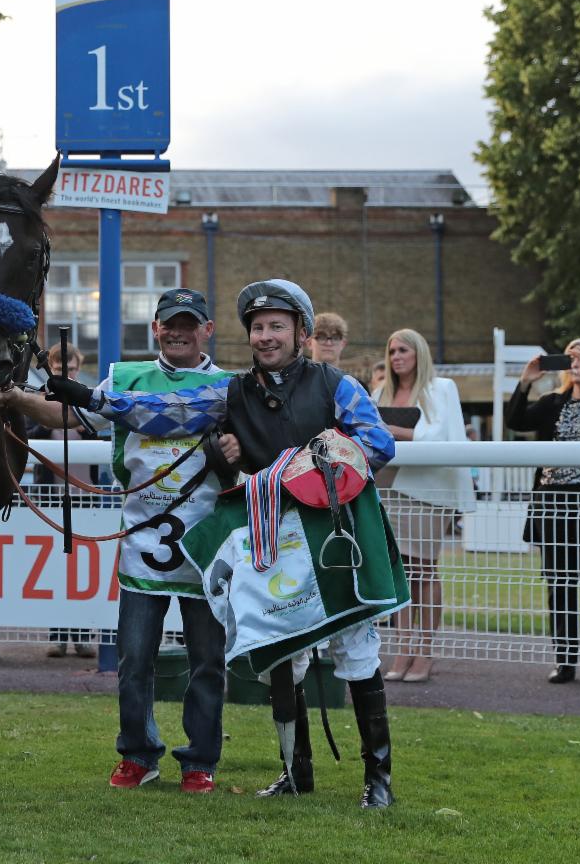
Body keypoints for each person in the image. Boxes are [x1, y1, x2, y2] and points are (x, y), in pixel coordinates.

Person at [48, 279, 404, 808]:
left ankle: (378, 780)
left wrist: (290, 471)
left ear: (301, 333)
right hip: (272, 543)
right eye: (258, 328)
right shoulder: (230, 391)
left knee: (354, 651)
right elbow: (166, 412)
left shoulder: (336, 385)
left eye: (276, 327)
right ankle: (294, 770)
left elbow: (378, 443)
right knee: (283, 650)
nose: (266, 336)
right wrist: (87, 397)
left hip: (331, 536)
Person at [0, 288, 237, 794]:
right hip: (142, 544)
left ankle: (200, 761)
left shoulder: (231, 388)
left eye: (189, 324)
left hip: (210, 547)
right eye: (170, 323)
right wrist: (18, 397)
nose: (178, 332)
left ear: (207, 331)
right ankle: (138, 754)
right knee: (134, 660)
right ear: (155, 328)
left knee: (207, 664)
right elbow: (69, 417)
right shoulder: (124, 377)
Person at [373, 328, 472, 684]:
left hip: (427, 490)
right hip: (386, 488)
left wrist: (393, 430)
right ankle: (403, 649)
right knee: (399, 572)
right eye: (392, 350)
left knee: (424, 569)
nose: (397, 356)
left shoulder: (440, 388)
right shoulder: (381, 390)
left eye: (404, 350)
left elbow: (439, 436)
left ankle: (425, 652)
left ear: (419, 353)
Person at [507, 338, 580, 684]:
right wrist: (526, 381)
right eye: (571, 357)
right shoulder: (554, 402)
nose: (576, 362)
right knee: (560, 583)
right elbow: (516, 420)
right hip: (552, 503)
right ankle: (566, 660)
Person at [27, 342, 97, 659]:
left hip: (86, 495)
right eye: (59, 369)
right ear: (50, 368)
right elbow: (29, 432)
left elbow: (106, 433)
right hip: (51, 494)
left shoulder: (88, 399)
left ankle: (81, 636)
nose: (65, 373)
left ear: (77, 369)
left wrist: (86, 429)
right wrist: (49, 419)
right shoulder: (38, 398)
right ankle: (58, 637)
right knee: (56, 569)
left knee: (83, 567)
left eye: (70, 369)